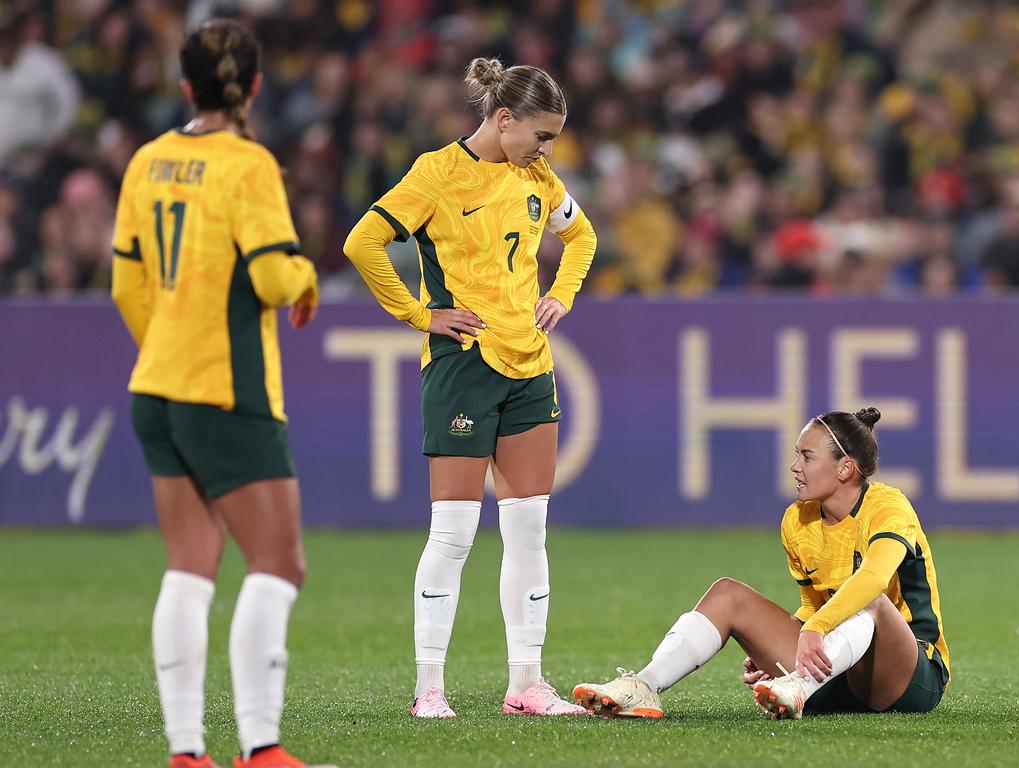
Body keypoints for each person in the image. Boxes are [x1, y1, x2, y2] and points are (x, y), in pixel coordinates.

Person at [110, 19, 335, 768]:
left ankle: (185, 752)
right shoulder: (248, 166)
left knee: (191, 561)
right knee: (278, 564)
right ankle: (262, 749)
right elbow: (273, 279)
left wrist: (167, 347)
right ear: (256, 87)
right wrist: (305, 278)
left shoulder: (149, 160)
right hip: (226, 392)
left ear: (184, 88)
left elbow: (124, 283)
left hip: (157, 387)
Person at [344, 57, 597, 718]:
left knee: (529, 532)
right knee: (453, 535)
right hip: (464, 364)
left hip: (531, 367)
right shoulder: (438, 174)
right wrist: (418, 314)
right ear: (504, 118)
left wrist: (562, 295)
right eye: (541, 135)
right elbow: (364, 242)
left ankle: (527, 684)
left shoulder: (536, 175)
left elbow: (582, 236)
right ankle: (430, 689)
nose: (548, 150)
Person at [573, 408, 950, 720]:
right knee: (727, 594)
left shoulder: (888, 507)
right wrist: (777, 648)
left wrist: (814, 631)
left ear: (844, 469)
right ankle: (645, 686)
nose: (794, 467)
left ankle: (798, 687)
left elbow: (873, 578)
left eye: (806, 456)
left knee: (871, 601)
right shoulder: (797, 520)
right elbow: (811, 606)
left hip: (908, 676)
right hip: (836, 671)